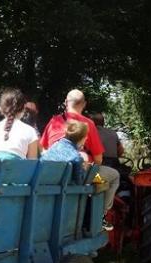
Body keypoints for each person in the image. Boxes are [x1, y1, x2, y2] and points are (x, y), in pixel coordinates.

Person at [40, 89, 120, 219]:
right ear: (84, 104)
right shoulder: (87, 124)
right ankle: (101, 215)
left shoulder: (54, 121)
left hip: (52, 175)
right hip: (79, 174)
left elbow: (43, 150)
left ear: (66, 102)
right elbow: (98, 160)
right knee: (114, 176)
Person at [0, 88, 39, 160]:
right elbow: (32, 163)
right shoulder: (30, 131)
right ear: (24, 108)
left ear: (1, 109)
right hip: (18, 170)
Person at [41, 120, 89, 184]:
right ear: (82, 139)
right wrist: (84, 168)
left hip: (39, 187)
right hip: (60, 192)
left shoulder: (53, 147)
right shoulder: (76, 158)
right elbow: (79, 182)